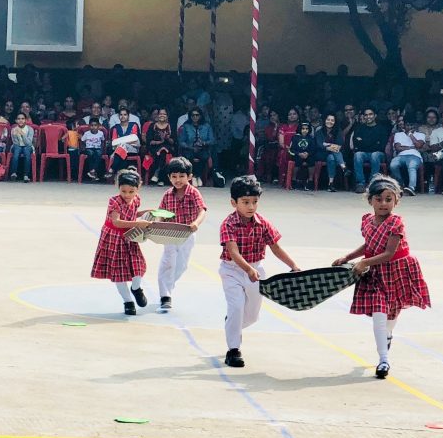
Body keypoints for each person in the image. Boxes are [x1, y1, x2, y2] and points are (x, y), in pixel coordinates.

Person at [333, 175, 431, 379]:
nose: (384, 203)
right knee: (379, 314)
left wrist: (364, 262)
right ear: (370, 200)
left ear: (397, 201)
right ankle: (384, 360)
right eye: (379, 199)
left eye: (389, 199)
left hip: (397, 270)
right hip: (375, 275)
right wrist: (348, 257)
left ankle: (387, 335)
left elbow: (389, 253)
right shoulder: (367, 221)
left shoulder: (396, 223)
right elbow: (368, 245)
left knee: (391, 315)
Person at [219, 176, 300, 368]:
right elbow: (233, 252)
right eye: (245, 202)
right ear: (234, 203)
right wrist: (247, 269)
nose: (251, 206)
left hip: (256, 269)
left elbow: (276, 248)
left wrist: (294, 266)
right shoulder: (228, 224)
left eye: (255, 202)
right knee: (236, 307)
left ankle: (232, 322)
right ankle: (233, 350)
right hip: (232, 270)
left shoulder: (263, 223)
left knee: (252, 316)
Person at [91, 168, 150, 316]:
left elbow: (130, 214)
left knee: (138, 266)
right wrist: (137, 223)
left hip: (130, 236)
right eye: (124, 191)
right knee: (119, 272)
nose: (127, 195)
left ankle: (136, 288)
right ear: (118, 187)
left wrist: (144, 213)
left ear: (138, 188)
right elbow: (117, 222)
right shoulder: (114, 201)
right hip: (114, 237)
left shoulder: (136, 200)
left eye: (131, 191)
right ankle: (128, 302)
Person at [156, 157, 207, 312]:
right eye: (174, 176)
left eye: (181, 176)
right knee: (168, 261)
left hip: (187, 233)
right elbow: (160, 212)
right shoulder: (167, 195)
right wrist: (157, 223)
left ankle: (169, 285)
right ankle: (165, 295)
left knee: (182, 265)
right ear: (169, 177)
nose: (178, 180)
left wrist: (196, 223)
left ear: (189, 177)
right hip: (170, 233)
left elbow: (202, 210)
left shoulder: (194, 193)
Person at [350, 107, 389, 192]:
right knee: (357, 155)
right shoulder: (360, 128)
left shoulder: (381, 129)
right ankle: (360, 183)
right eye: (366, 115)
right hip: (364, 153)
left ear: (375, 116)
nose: (368, 117)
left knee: (375, 155)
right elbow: (357, 145)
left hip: (379, 154)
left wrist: (364, 142)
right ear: (364, 117)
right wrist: (374, 143)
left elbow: (381, 146)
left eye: (370, 114)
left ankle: (372, 183)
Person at [387, 117, 424, 195]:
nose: (410, 127)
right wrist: (410, 147)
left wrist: (410, 135)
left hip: (415, 156)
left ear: (416, 125)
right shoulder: (398, 134)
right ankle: (401, 185)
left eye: (412, 125)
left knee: (411, 166)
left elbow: (418, 145)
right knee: (393, 165)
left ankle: (411, 188)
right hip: (401, 156)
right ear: (404, 125)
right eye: (408, 125)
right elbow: (398, 148)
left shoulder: (421, 135)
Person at [314, 113, 345, 192]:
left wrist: (327, 145)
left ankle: (330, 183)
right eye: (328, 119)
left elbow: (339, 144)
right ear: (324, 120)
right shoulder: (319, 131)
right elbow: (319, 145)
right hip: (321, 154)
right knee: (335, 152)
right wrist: (330, 146)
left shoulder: (338, 131)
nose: (330, 122)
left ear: (335, 122)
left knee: (331, 158)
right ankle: (344, 167)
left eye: (332, 120)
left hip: (332, 155)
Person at [287, 120, 318, 190]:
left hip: (308, 156)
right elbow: (291, 149)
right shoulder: (295, 137)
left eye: (306, 129)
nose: (305, 130)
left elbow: (313, 149)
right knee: (297, 160)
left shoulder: (311, 138)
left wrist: (308, 154)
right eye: (303, 129)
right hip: (297, 155)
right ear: (300, 129)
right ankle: (294, 180)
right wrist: (298, 154)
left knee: (312, 160)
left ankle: (310, 181)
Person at [9, 112, 35, 182]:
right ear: (16, 120)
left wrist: (22, 134)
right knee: (16, 152)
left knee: (27, 152)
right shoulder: (13, 129)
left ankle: (26, 175)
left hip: (28, 146)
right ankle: (14, 173)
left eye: (23, 119)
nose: (20, 120)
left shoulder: (30, 129)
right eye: (19, 119)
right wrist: (17, 134)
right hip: (17, 146)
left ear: (26, 120)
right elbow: (16, 142)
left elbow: (29, 143)